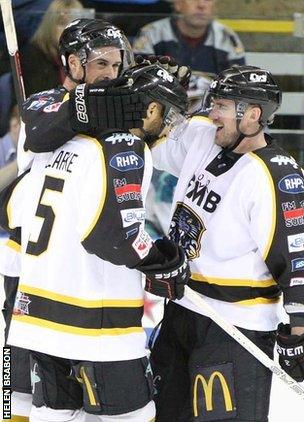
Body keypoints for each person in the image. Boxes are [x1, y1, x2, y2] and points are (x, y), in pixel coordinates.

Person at [0, 63, 190, 422]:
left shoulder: (62, 141)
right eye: (170, 116)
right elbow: (114, 238)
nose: (168, 128)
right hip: (97, 324)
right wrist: (160, 260)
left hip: (37, 319)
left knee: (56, 416)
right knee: (136, 416)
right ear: (150, 109)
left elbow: (11, 210)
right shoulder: (128, 145)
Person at [149, 65, 304, 421]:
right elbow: (150, 141)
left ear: (252, 115)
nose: (212, 112)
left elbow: (297, 256)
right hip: (180, 311)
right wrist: (158, 102)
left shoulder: (274, 175)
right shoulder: (204, 137)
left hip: (233, 328)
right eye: (213, 102)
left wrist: (300, 331)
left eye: (222, 105)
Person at [133, 0, 245, 74]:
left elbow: (237, 87)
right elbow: (138, 80)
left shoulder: (227, 38)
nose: (201, 5)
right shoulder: (151, 34)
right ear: (177, 3)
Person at [20, 0, 87, 97]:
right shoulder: (32, 55)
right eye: (62, 23)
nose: (68, 30)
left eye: (74, 25)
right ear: (50, 25)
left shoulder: (83, 55)